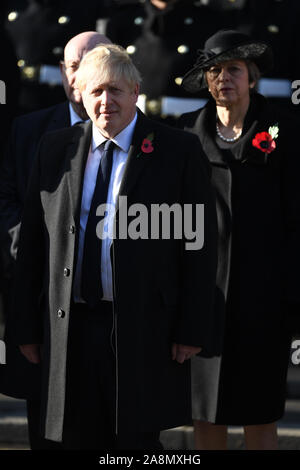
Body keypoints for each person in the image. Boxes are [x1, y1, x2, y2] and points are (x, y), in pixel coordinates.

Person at [12, 43, 218, 449]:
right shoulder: (56, 148)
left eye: (116, 91)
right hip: (70, 328)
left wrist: (192, 327)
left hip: (144, 328)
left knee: (135, 444)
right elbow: (34, 244)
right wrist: (24, 326)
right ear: (80, 95)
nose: (106, 102)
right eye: (96, 92)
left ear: (136, 91)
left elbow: (199, 246)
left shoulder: (177, 150)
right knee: (72, 438)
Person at [178, 29, 300, 450]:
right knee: (205, 413)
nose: (223, 78)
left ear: (251, 78)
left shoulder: (287, 135)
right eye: (213, 71)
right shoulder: (184, 137)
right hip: (202, 302)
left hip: (263, 302)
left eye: (233, 69)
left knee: (259, 413)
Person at [0, 31, 111, 450]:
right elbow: (7, 198)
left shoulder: (143, 135)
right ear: (64, 73)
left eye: (92, 61)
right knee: (46, 427)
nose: (79, 72)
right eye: (71, 64)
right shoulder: (28, 129)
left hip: (110, 313)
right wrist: (26, 249)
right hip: (42, 303)